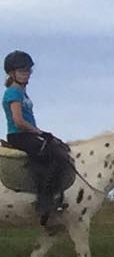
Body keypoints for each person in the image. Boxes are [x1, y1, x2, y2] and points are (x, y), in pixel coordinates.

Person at [2, 51, 76, 228]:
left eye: (28, 71)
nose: (26, 74)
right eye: (22, 71)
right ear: (12, 73)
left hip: (28, 134)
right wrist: (40, 132)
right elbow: (19, 121)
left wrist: (42, 134)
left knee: (60, 150)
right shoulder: (13, 93)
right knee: (55, 156)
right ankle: (44, 203)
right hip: (19, 135)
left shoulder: (22, 92)